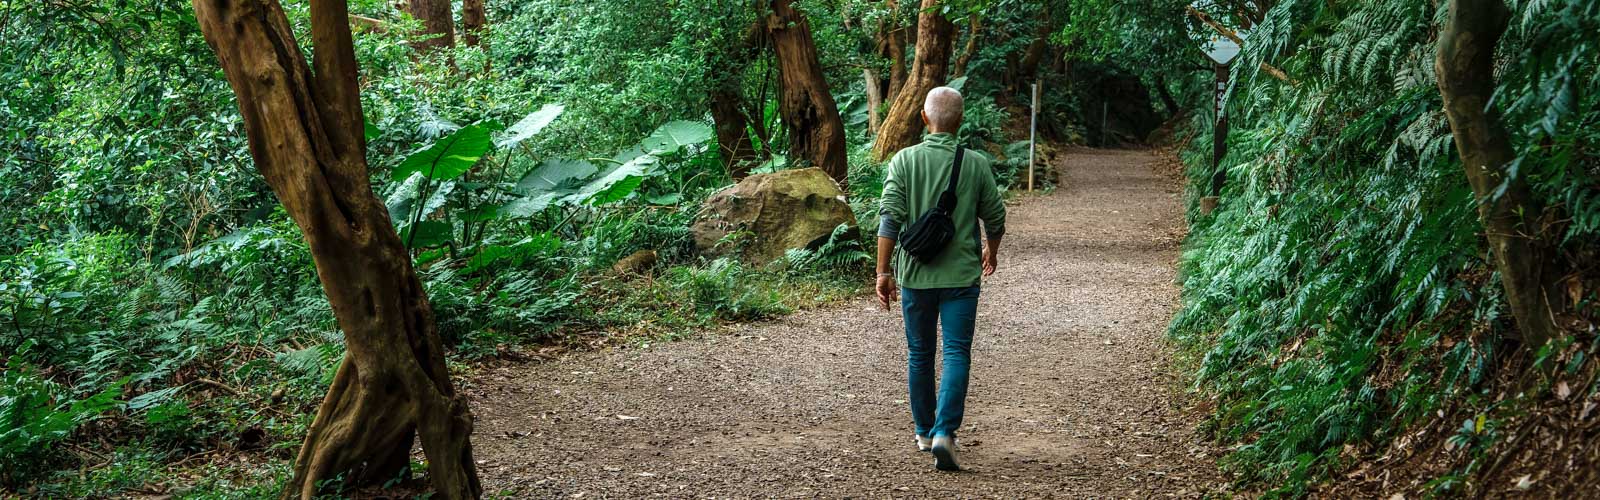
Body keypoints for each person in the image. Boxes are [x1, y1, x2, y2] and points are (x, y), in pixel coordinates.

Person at [874, 86, 1006, 472]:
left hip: (915, 275)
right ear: (960, 121)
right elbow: (995, 218)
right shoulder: (976, 163)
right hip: (962, 276)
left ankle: (923, 431)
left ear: (923, 118)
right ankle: (945, 432)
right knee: (956, 352)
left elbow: (889, 218)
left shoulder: (904, 160)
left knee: (920, 353)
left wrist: (884, 272)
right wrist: (991, 251)